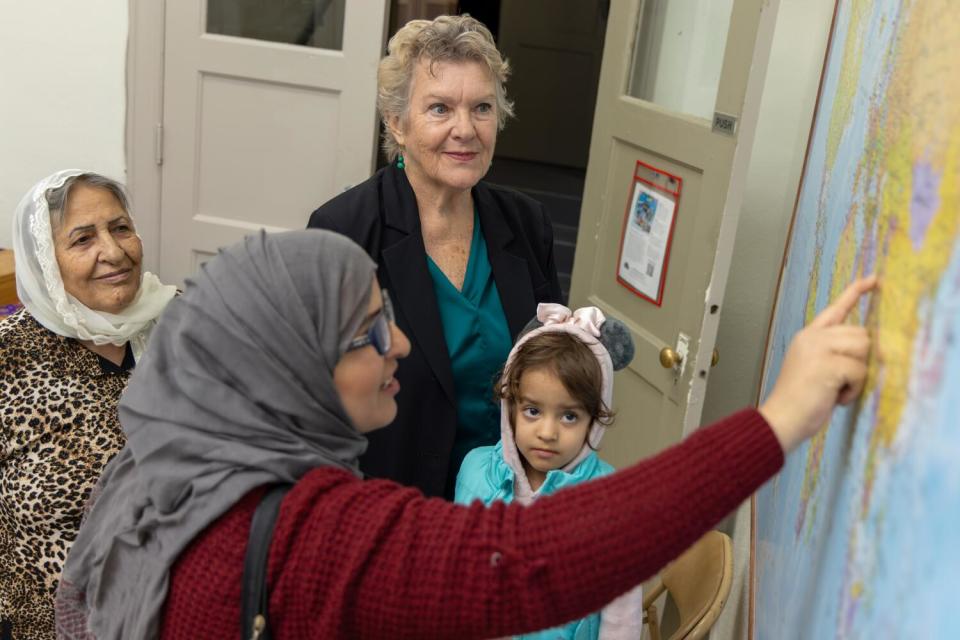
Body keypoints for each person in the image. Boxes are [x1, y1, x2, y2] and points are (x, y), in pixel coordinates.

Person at [57, 229, 874, 640]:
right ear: (289, 366)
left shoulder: (163, 472)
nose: (402, 345)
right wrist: (780, 418)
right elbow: (529, 562)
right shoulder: (303, 534)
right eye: (372, 332)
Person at [307, 15, 563, 497]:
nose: (465, 129)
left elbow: (552, 377)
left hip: (503, 505)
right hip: (390, 506)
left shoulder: (528, 226)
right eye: (440, 109)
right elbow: (315, 405)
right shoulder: (343, 231)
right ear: (397, 124)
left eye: (482, 108)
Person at [0, 170, 176, 640]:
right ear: (43, 260)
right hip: (51, 625)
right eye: (82, 239)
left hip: (185, 612)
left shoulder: (188, 326)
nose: (114, 252)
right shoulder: (8, 360)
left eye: (120, 228)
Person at [455, 304, 643, 639]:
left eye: (569, 416)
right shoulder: (474, 473)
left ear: (594, 420)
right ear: (509, 406)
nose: (547, 432)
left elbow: (622, 615)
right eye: (532, 410)